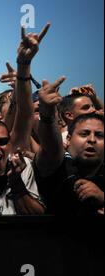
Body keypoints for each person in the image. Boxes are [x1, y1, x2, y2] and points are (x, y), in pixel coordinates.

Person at [34, 76, 104, 216]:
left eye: (99, 135)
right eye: (84, 134)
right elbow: (51, 145)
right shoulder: (58, 167)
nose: (91, 140)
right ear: (69, 139)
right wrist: (47, 113)